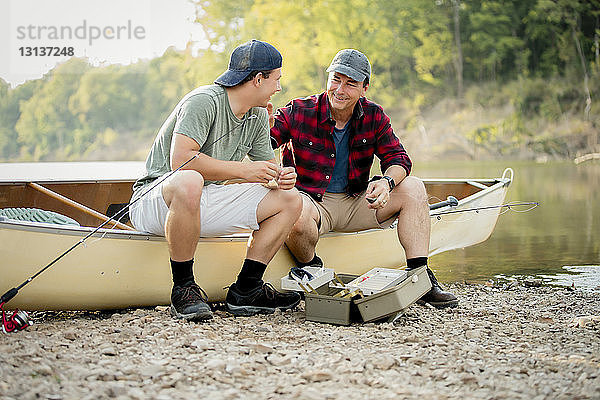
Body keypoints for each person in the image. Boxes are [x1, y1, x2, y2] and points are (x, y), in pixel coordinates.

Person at [270, 49, 458, 308]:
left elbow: (399, 159)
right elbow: (263, 142)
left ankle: (420, 277)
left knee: (414, 187)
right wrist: (261, 123)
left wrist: (386, 182)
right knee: (292, 206)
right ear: (328, 79)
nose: (340, 89)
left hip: (357, 201)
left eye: (351, 83)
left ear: (364, 88)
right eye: (336, 79)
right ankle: (312, 268)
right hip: (311, 203)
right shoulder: (299, 110)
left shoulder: (374, 115)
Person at [130, 40, 302, 321]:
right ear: (259, 79)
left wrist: (281, 177)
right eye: (276, 79)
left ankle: (247, 289)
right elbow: (181, 162)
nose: (279, 88)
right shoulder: (203, 101)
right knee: (189, 181)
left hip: (201, 201)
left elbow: (268, 171)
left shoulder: (259, 115)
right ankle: (183, 288)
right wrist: (246, 172)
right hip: (157, 199)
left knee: (291, 200)